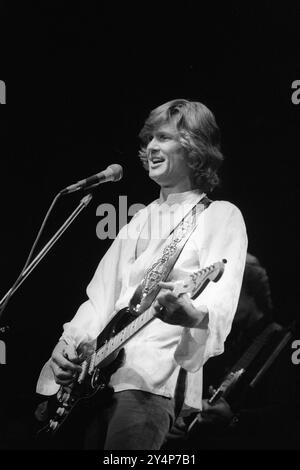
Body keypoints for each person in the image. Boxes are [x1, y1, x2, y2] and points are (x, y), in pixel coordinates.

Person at [35, 99, 248, 450]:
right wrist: (67, 344)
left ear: (194, 148)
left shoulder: (220, 216)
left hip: (150, 383)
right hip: (94, 382)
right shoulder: (139, 219)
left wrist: (192, 314)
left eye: (163, 138)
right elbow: (101, 298)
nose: (150, 147)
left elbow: (220, 300)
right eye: (149, 139)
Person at [165, 253, 300, 450]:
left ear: (252, 293)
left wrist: (236, 419)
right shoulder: (224, 341)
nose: (224, 303)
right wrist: (189, 415)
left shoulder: (282, 341)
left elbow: (288, 413)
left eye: (231, 294)